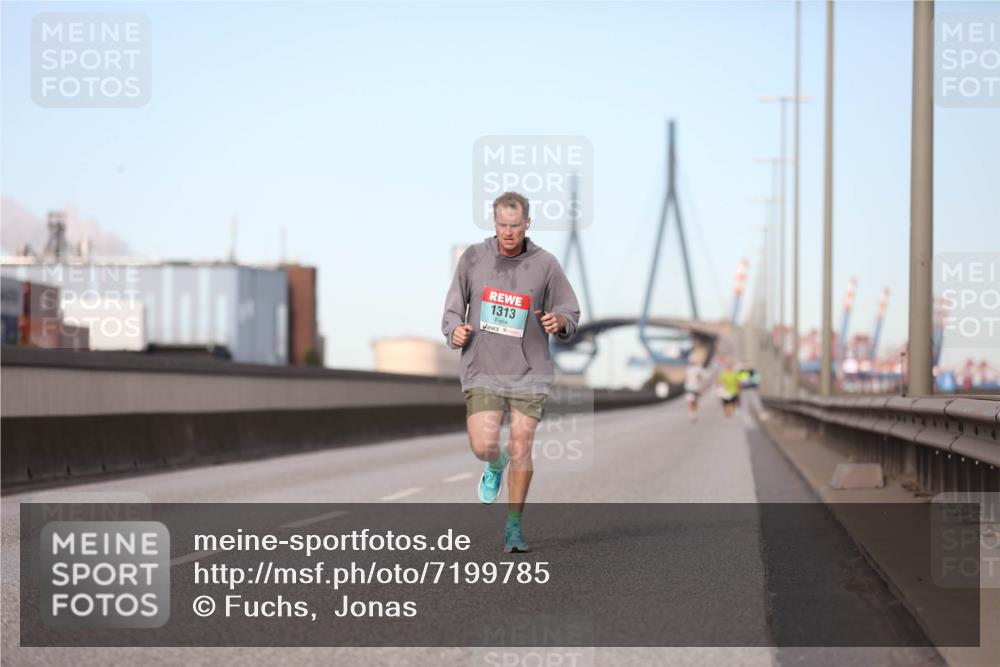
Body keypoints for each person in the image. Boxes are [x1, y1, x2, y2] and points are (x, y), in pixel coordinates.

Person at [442, 191, 580, 553]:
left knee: (522, 446)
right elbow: (453, 309)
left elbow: (570, 311)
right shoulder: (473, 258)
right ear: (494, 223)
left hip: (529, 371)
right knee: (482, 444)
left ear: (527, 224)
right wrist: (454, 330)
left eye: (515, 226)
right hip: (482, 368)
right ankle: (494, 462)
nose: (508, 232)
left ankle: (514, 527)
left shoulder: (545, 264)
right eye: (502, 225)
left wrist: (559, 320)